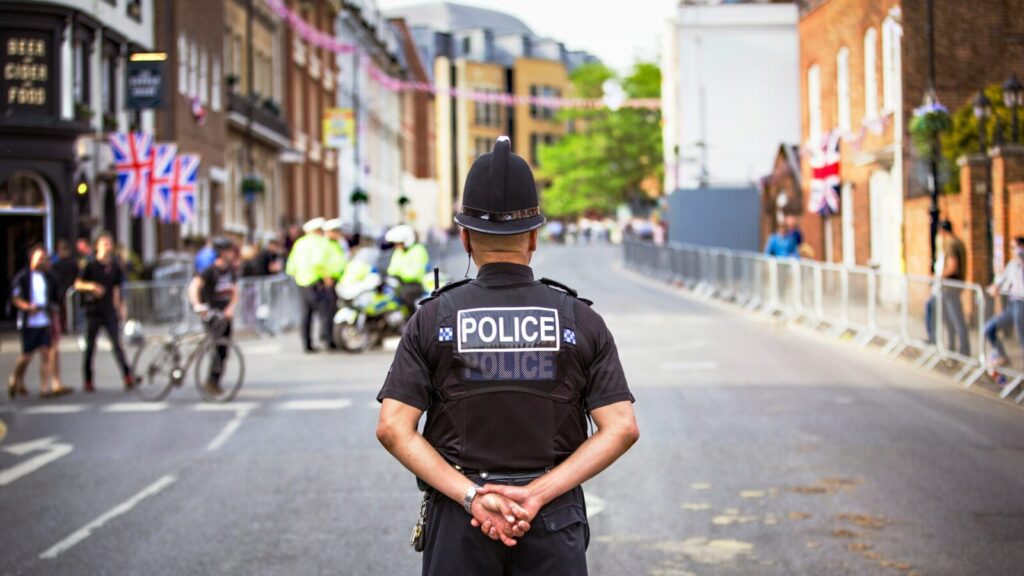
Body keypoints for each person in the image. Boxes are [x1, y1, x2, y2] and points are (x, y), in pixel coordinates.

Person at [376, 137, 639, 575]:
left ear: (464, 238)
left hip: (461, 520)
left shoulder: (432, 318)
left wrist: (473, 497)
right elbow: (622, 427)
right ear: (534, 237)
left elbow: (392, 428)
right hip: (552, 518)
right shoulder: (580, 320)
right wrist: (537, 494)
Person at [8, 245, 71, 399]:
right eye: (39, 258)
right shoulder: (23, 277)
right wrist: (28, 307)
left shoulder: (48, 277)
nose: (42, 261)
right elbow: (15, 298)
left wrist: (53, 309)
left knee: (45, 353)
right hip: (29, 322)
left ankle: (44, 388)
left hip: (44, 321)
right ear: (32, 259)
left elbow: (56, 296)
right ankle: (15, 379)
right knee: (26, 356)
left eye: (44, 258)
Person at [75, 231, 134, 392]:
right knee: (90, 347)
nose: (108, 247)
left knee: (117, 344)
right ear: (97, 246)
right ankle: (88, 380)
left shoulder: (114, 266)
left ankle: (128, 376)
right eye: (105, 244)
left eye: (110, 244)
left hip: (109, 310)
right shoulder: (90, 264)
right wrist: (92, 287)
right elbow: (78, 284)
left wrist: (121, 309)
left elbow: (116, 289)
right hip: (93, 311)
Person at [188, 238, 239, 395]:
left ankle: (214, 381)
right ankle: (211, 381)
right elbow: (194, 287)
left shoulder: (229, 271)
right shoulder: (210, 270)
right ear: (223, 253)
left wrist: (231, 308)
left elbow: (235, 291)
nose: (232, 254)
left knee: (224, 350)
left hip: (225, 316)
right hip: (211, 315)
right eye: (230, 251)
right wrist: (197, 306)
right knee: (216, 349)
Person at [286, 217, 334, 352]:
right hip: (316, 282)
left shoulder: (299, 244)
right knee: (325, 312)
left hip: (301, 282)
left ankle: (307, 343)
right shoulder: (320, 242)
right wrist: (327, 278)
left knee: (306, 314)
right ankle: (326, 340)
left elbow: (291, 267)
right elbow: (319, 261)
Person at [925, 220, 969, 356]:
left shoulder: (950, 244)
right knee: (950, 318)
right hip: (953, 286)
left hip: (949, 287)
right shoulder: (958, 242)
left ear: (942, 231)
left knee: (954, 319)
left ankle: (962, 351)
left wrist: (938, 277)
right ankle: (953, 348)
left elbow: (952, 266)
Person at [985, 236, 1024, 374]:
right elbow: (1002, 280)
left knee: (1021, 339)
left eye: (1015, 247)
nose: (1014, 251)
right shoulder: (1012, 265)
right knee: (989, 328)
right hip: (1012, 304)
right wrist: (994, 287)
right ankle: (1002, 356)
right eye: (1012, 248)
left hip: (1021, 304)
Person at [384, 224, 430, 313]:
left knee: (405, 295)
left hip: (414, 284)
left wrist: (400, 273)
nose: (396, 246)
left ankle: (411, 319)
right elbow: (391, 269)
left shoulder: (419, 250)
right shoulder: (398, 252)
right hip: (399, 283)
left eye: (399, 243)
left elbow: (417, 273)